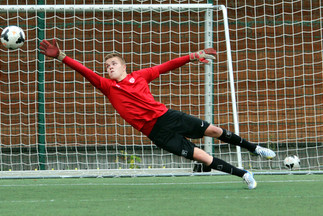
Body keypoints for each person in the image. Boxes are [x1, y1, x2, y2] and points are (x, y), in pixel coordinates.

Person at [40, 39, 276, 189]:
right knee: (202, 157)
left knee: (213, 130)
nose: (108, 67)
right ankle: (244, 174)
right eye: (106, 66)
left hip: (167, 116)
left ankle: (255, 148)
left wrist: (193, 56)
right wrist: (62, 56)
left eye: (113, 63)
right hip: (155, 132)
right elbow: (85, 71)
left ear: (124, 66)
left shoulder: (140, 75)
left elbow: (167, 65)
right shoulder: (107, 87)